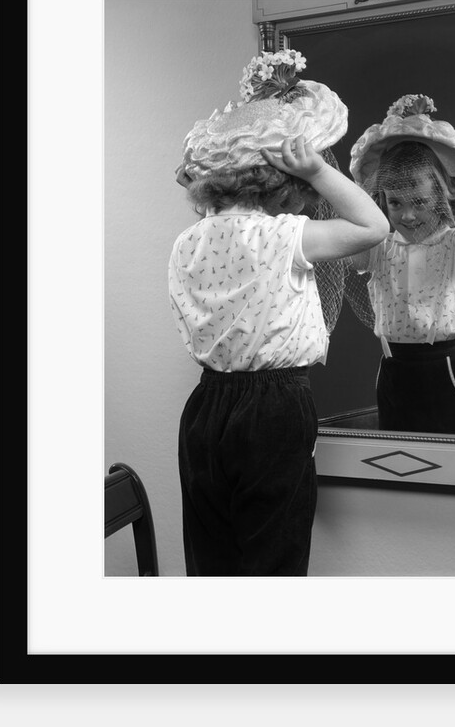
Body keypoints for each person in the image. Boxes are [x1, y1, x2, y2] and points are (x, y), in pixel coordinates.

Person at [168, 49, 389, 576]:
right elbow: (373, 228)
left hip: (205, 406)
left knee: (211, 554)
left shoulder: (186, 241)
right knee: (274, 554)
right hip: (273, 406)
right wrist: (317, 167)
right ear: (288, 183)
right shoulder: (286, 234)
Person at [346, 94, 455, 436]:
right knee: (398, 444)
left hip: (446, 365)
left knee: (453, 445)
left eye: (419, 202)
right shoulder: (379, 246)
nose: (407, 214)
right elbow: (351, 245)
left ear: (443, 197)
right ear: (380, 201)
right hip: (394, 364)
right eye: (394, 203)